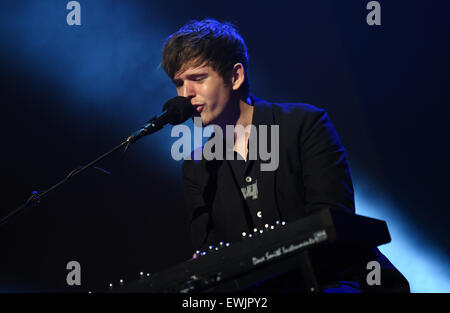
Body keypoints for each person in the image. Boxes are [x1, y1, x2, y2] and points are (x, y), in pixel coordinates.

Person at [161, 18, 409, 293]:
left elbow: (334, 224)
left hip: (340, 282)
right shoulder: (197, 167)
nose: (185, 94)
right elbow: (211, 258)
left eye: (197, 78)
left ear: (235, 76)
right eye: (179, 83)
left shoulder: (304, 124)